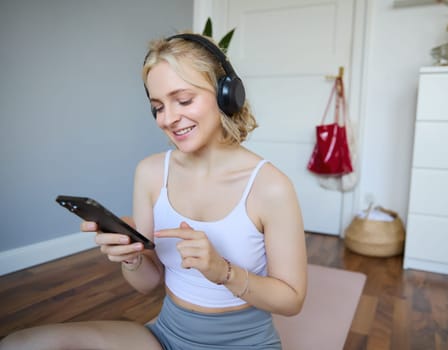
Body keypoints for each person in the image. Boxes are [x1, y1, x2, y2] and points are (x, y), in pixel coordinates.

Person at [0, 32, 307, 350]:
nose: (169, 119)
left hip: (243, 343)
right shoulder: (149, 173)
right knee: (19, 344)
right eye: (157, 107)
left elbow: (291, 300)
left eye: (184, 100)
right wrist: (131, 258)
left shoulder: (270, 187)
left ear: (226, 93)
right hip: (167, 335)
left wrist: (222, 271)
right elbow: (147, 285)